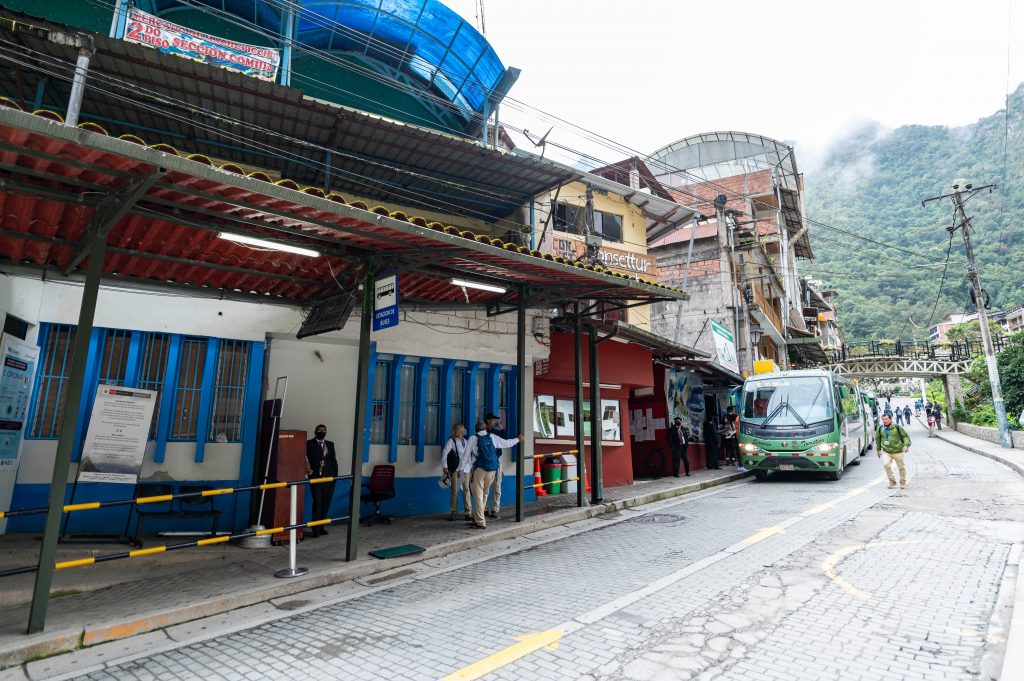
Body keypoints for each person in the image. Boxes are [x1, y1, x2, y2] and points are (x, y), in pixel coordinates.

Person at [467, 421, 523, 529]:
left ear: (476, 430)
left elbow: (465, 457)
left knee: (478, 494)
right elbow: (507, 443)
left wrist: (462, 469)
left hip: (479, 469)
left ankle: (480, 521)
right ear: (485, 429)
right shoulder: (492, 437)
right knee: (484, 493)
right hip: (492, 470)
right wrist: (518, 439)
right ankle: (477, 516)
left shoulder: (473, 438)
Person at [305, 424, 338, 537]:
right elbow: (304, 459)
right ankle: (315, 529)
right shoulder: (309, 444)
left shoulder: (330, 444)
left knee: (325, 503)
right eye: (319, 430)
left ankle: (322, 526)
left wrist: (335, 477)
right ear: (315, 431)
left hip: (329, 478)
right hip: (316, 479)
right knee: (317, 503)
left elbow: (334, 460)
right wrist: (308, 470)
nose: (322, 432)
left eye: (324, 430)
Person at [441, 424, 471, 521]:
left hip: (466, 469)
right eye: (463, 430)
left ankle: (468, 512)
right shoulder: (451, 441)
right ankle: (453, 512)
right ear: (458, 431)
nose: (464, 431)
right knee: (454, 490)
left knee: (466, 490)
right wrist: (445, 466)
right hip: (456, 470)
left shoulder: (466, 441)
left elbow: (468, 456)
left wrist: (471, 467)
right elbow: (444, 453)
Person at [876, 413, 911, 489]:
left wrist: (906, 445)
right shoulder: (880, 428)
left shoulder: (897, 427)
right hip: (887, 451)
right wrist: (878, 450)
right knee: (886, 464)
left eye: (886, 419)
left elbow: (905, 437)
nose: (884, 421)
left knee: (901, 467)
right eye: (883, 419)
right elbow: (878, 439)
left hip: (898, 451)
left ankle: (903, 482)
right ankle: (892, 481)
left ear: (890, 420)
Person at [484, 413, 506, 519]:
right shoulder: (483, 432)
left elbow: (505, 439)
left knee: (496, 485)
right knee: (485, 486)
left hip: (496, 461)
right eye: (493, 420)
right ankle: (484, 508)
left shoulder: (496, 432)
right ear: (488, 420)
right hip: (486, 462)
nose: (495, 422)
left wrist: (501, 429)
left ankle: (494, 509)